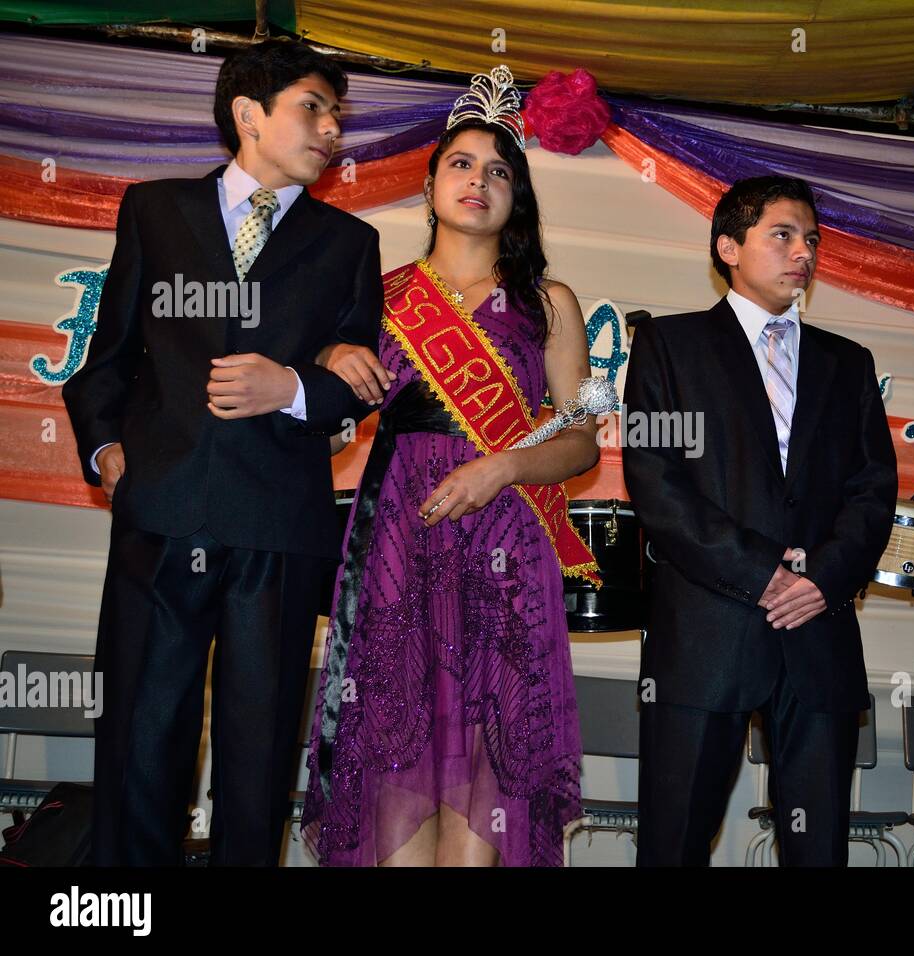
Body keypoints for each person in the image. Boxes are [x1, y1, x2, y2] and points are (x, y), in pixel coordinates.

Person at [60, 39, 382, 865]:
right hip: (160, 517)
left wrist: (297, 387)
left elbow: (359, 377)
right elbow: (107, 362)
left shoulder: (349, 244)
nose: (331, 129)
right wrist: (106, 455)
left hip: (277, 529)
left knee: (258, 755)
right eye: (313, 106)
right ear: (249, 114)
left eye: (337, 114)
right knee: (138, 734)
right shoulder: (155, 210)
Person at [299, 66, 599, 867]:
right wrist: (326, 362)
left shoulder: (548, 303)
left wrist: (503, 467)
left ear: (518, 199)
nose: (479, 181)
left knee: (488, 784)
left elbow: (579, 443)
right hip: (400, 535)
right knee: (394, 751)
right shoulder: (379, 293)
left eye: (500, 171)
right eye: (462, 164)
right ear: (429, 184)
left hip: (504, 542)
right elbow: (328, 417)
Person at [623, 175, 899, 866]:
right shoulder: (670, 348)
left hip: (819, 631)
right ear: (728, 246)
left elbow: (874, 490)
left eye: (811, 239)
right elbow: (658, 483)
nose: (802, 252)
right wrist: (762, 573)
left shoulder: (849, 363)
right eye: (782, 234)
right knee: (674, 843)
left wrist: (824, 579)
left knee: (820, 851)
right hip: (706, 637)